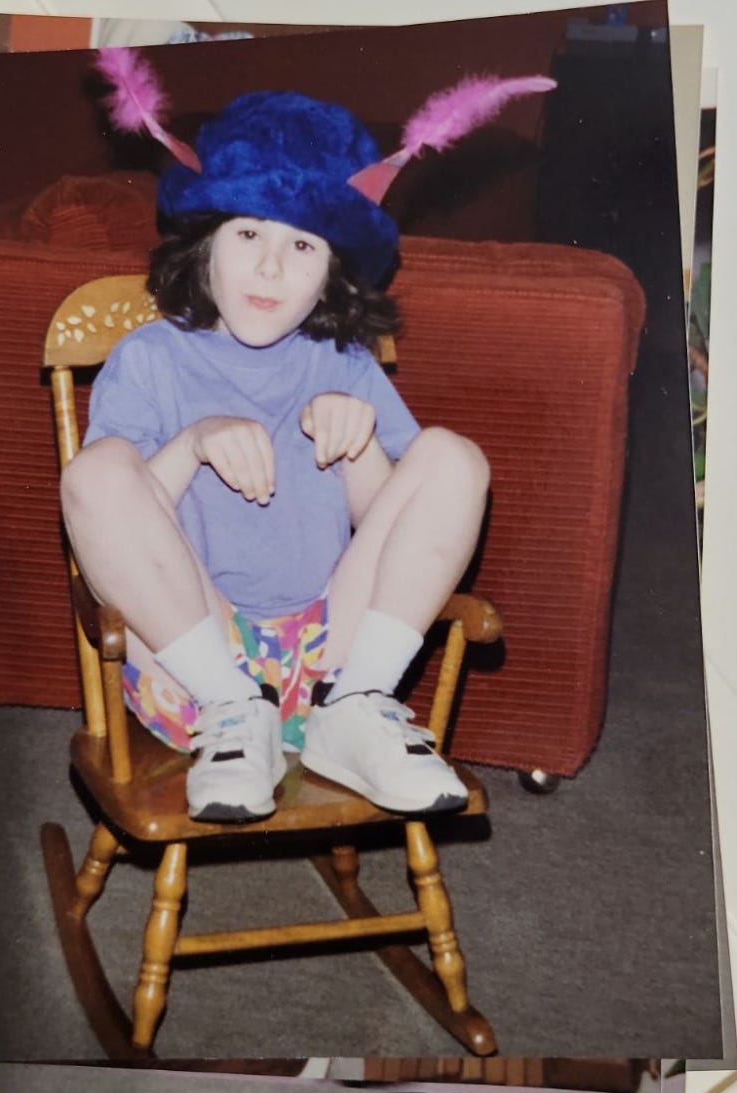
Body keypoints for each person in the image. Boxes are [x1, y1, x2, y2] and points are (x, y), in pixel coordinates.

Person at [62, 60, 552, 823]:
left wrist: (357, 443)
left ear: (331, 275)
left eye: (302, 247)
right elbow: (115, 526)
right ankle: (237, 713)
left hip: (333, 650)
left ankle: (356, 708)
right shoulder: (152, 359)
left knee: (454, 457)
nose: (268, 264)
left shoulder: (344, 364)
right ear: (205, 246)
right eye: (249, 232)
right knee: (95, 471)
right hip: (195, 659)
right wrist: (193, 442)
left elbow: (400, 535)